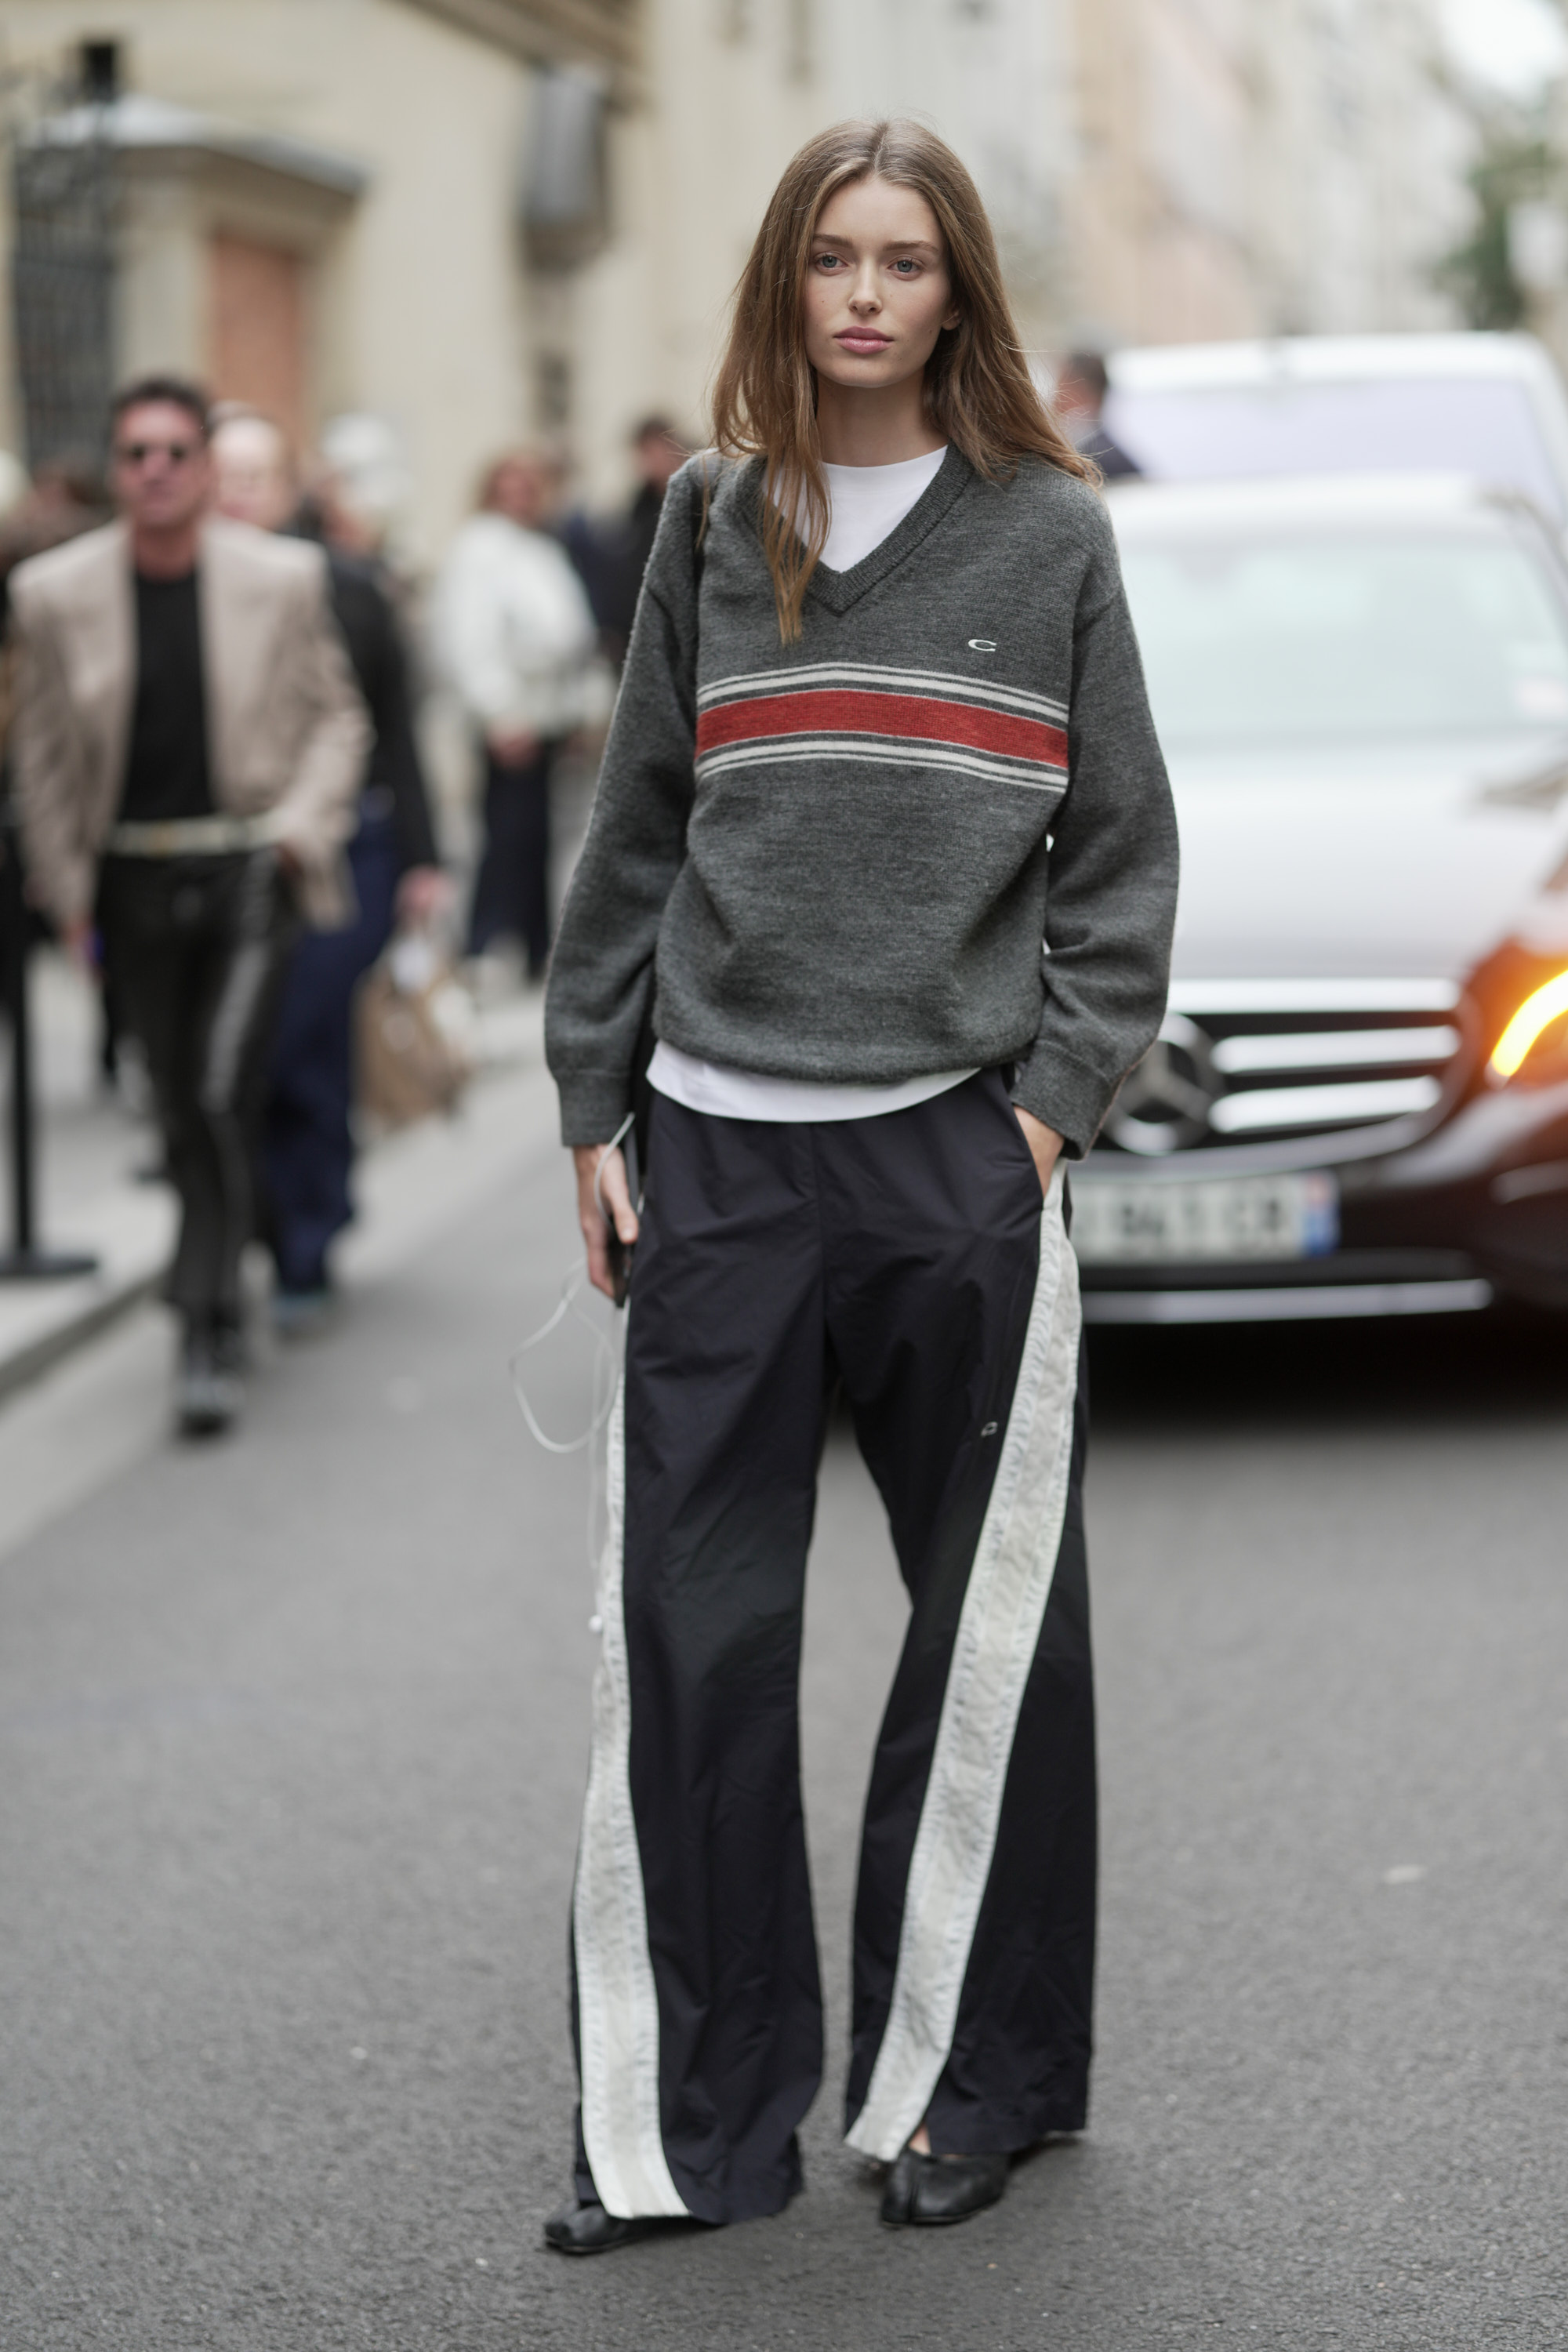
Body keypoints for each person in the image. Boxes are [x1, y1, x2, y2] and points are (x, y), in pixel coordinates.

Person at [541, 120, 1178, 2250]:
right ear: (788, 283)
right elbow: (635, 827)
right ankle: (694, 2135)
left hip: (948, 1152)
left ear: (957, 291)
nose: (868, 294)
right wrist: (590, 1099)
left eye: (906, 258)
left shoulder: (1048, 538)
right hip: (720, 1151)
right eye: (834, 254)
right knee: (696, 1642)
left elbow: (1117, 854)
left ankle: (977, 2087)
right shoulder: (715, 523)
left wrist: (1049, 1105)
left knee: (994, 1641)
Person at [9, 376, 368, 1433]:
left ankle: (204, 1322)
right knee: (175, 1103)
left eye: (175, 452)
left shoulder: (284, 578)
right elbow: (40, 759)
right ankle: (216, 1256)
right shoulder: (55, 593)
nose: (156, 471)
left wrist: (299, 830)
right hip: (130, 876)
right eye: (135, 455)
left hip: (250, 867)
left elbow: (336, 723)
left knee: (215, 1091)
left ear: (207, 470)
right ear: (114, 472)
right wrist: (68, 892)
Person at [210, 408, 446, 1326]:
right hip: (216, 864)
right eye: (221, 477)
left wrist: (423, 859)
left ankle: (305, 1239)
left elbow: (395, 729)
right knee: (237, 1062)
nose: (235, 496)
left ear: (288, 488)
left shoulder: (345, 589)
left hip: (345, 856)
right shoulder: (177, 589)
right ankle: (270, 1222)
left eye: (252, 477)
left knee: (299, 1047)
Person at [431, 449, 602, 982]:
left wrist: (577, 711)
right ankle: (484, 943)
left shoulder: (539, 547)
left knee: (538, 836)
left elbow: (569, 636)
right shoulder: (479, 548)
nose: (519, 497)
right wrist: (499, 712)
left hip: (547, 715)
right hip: (512, 717)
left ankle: (533, 945)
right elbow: (469, 639)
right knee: (506, 834)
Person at [1051, 350, 1142, 479]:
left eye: (1061, 388)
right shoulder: (1103, 449)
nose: (1054, 399)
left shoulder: (1093, 455)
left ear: (1083, 391)